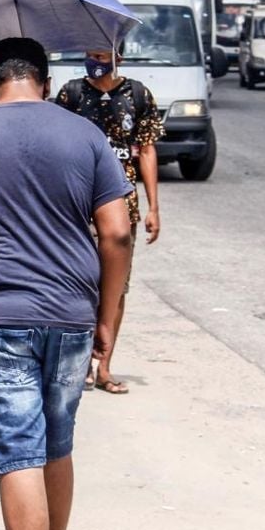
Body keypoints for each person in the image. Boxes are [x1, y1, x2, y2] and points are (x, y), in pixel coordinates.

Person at [0, 38, 133, 530]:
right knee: (57, 445)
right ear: (46, 81)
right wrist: (107, 318)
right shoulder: (86, 135)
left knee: (20, 452)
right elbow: (119, 233)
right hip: (71, 315)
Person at [56, 44, 164, 395]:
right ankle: (81, 363)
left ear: (118, 57)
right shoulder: (71, 95)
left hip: (122, 206)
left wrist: (153, 207)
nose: (94, 62)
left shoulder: (137, 95)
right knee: (80, 282)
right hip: (77, 205)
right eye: (90, 55)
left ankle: (104, 366)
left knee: (115, 289)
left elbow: (146, 150)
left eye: (101, 56)